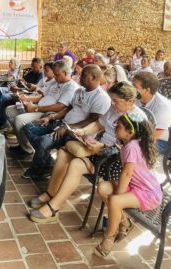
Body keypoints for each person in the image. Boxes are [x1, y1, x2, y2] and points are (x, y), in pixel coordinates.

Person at [27, 82, 144, 223]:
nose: (112, 104)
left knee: (76, 164)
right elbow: (98, 125)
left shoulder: (138, 118)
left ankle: (54, 207)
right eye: (111, 100)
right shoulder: (115, 109)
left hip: (116, 159)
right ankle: (51, 193)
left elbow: (131, 150)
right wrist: (82, 132)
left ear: (130, 101)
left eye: (116, 101)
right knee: (64, 153)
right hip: (100, 150)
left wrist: (103, 147)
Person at [22, 64, 111, 179]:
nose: (80, 77)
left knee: (44, 141)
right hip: (62, 123)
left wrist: (67, 127)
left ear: (94, 77)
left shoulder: (101, 97)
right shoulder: (80, 90)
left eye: (84, 75)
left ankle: (38, 169)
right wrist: (51, 117)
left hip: (77, 132)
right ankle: (47, 163)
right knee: (29, 127)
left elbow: (92, 121)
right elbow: (68, 108)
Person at [94, 114, 161, 257]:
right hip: (136, 186)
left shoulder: (131, 146)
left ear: (130, 132)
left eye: (119, 126)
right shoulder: (131, 143)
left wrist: (118, 196)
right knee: (103, 188)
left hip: (148, 193)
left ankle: (109, 239)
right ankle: (125, 222)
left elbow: (126, 174)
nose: (115, 127)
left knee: (114, 200)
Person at [7, 60, 79, 160]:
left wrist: (36, 108)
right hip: (38, 107)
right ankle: (23, 141)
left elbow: (60, 107)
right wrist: (28, 100)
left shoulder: (70, 87)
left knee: (19, 120)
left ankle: (26, 149)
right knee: (9, 111)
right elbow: (43, 96)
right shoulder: (56, 81)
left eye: (57, 74)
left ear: (66, 73)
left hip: (47, 113)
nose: (55, 76)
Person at [132, 72, 171, 154]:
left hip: (169, 143)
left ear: (147, 90)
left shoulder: (162, 107)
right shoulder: (138, 99)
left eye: (135, 87)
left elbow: (154, 135)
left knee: (134, 149)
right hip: (148, 135)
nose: (131, 88)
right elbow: (133, 119)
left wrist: (131, 142)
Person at [0, 58, 43, 130]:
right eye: (32, 66)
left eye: (34, 67)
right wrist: (18, 85)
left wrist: (20, 88)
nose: (32, 68)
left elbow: (33, 90)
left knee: (4, 97)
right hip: (19, 90)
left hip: (25, 94)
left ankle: (3, 122)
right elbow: (23, 82)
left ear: (40, 67)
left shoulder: (41, 76)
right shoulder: (31, 72)